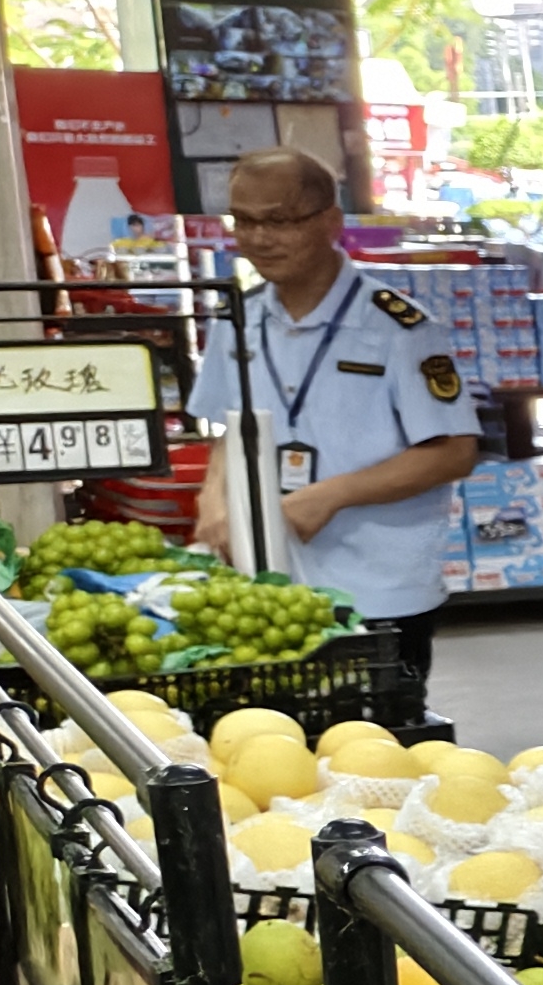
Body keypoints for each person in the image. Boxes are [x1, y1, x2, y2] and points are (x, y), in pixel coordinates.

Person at [185, 149, 483, 686]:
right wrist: (213, 498)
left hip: (378, 589)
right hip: (268, 585)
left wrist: (332, 494)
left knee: (378, 732)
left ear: (330, 222)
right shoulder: (238, 319)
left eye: (279, 220)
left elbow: (454, 451)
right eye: (244, 221)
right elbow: (232, 426)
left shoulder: (399, 327)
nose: (259, 238)